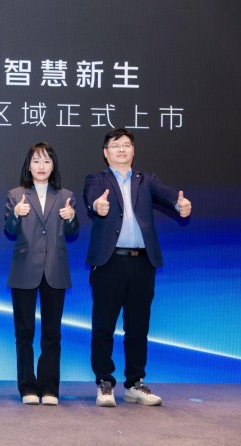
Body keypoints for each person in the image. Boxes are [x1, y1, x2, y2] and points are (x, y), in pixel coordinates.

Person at [84, 128, 192, 407]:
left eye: (126, 145)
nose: (121, 149)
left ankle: (134, 383)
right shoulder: (97, 179)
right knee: (103, 326)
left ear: (133, 150)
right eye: (115, 145)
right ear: (105, 152)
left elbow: (166, 194)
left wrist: (178, 203)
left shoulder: (146, 180)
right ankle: (104, 382)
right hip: (109, 262)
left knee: (138, 327)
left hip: (143, 262)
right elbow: (92, 197)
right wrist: (97, 205)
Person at [4, 142, 79, 406]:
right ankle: (27, 387)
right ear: (29, 166)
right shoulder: (16, 195)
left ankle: (49, 388)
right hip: (25, 269)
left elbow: (73, 232)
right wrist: (16, 214)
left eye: (47, 161)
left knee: (52, 334)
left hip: (55, 269)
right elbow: (10, 230)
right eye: (36, 161)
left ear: (53, 165)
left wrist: (71, 217)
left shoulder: (66, 195)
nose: (41, 166)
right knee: (24, 333)